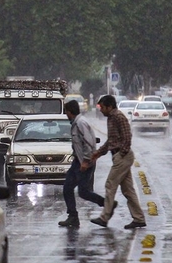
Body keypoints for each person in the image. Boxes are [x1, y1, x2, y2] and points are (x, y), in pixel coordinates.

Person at [90, 95, 146, 229]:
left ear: (110, 106)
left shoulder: (118, 117)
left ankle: (105, 217)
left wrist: (122, 153)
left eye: (102, 107)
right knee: (128, 190)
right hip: (119, 156)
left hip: (122, 156)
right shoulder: (111, 118)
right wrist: (99, 153)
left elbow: (127, 136)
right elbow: (111, 141)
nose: (101, 110)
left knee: (110, 184)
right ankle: (139, 218)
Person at [58, 100, 105, 228]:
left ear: (69, 111)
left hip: (85, 162)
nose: (65, 114)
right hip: (77, 162)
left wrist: (86, 161)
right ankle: (73, 216)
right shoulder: (76, 123)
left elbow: (89, 143)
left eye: (66, 111)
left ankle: (106, 203)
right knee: (67, 188)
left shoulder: (80, 123)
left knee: (83, 192)